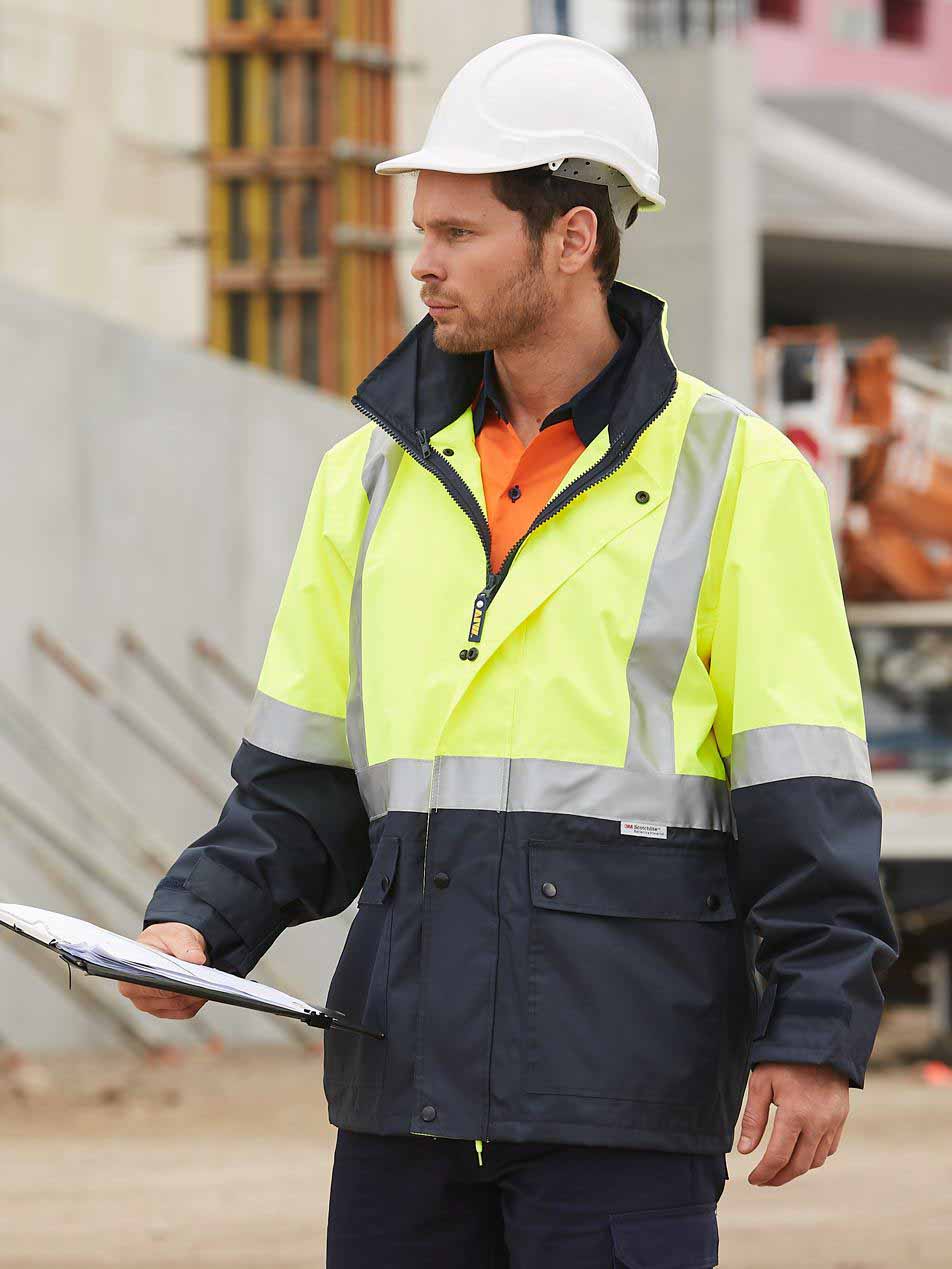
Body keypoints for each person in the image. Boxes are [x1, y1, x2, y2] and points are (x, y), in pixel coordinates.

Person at [120, 33, 900, 1269]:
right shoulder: (366, 477)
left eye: (459, 232)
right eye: (421, 228)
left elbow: (802, 787)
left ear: (572, 236)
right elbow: (302, 783)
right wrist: (197, 927)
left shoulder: (737, 476)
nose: (420, 264)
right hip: (405, 1088)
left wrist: (814, 1030)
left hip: (620, 1090)